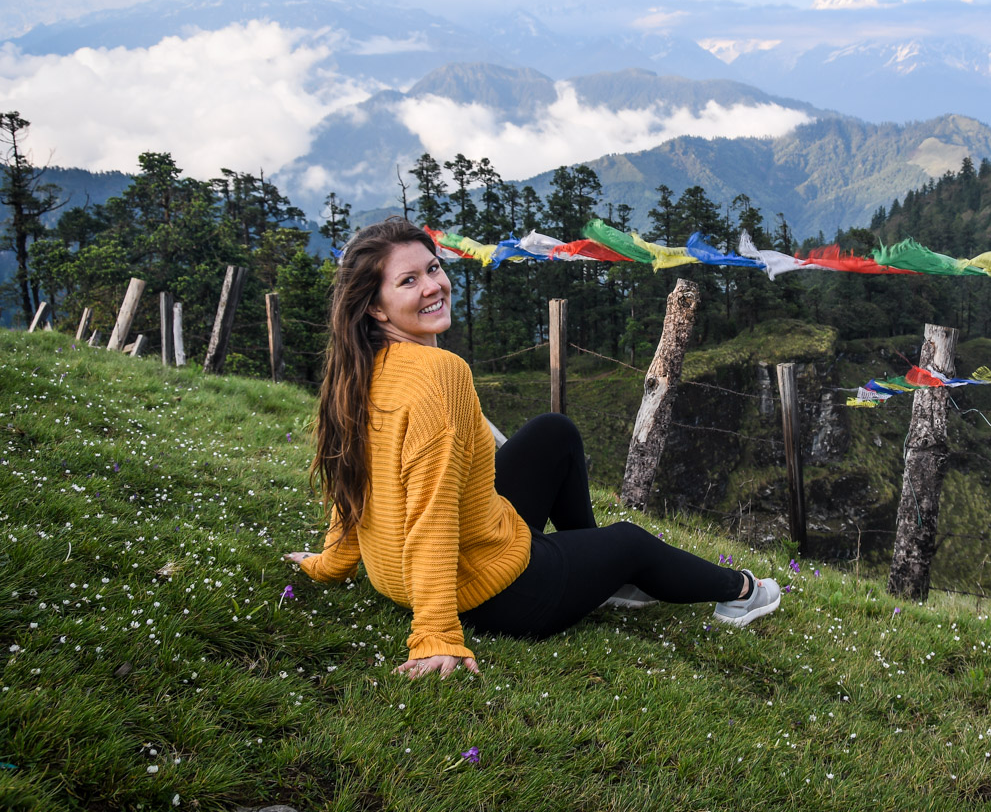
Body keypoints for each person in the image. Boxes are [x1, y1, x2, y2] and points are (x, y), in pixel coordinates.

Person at [284, 218, 780, 679]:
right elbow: (431, 510)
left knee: (553, 431)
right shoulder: (440, 375)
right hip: (491, 593)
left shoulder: (359, 366)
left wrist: (329, 564)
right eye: (408, 281)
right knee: (631, 540)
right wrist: (435, 633)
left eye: (433, 268)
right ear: (375, 305)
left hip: (406, 577)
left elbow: (352, 482)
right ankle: (745, 591)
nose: (433, 286)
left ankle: (597, 579)